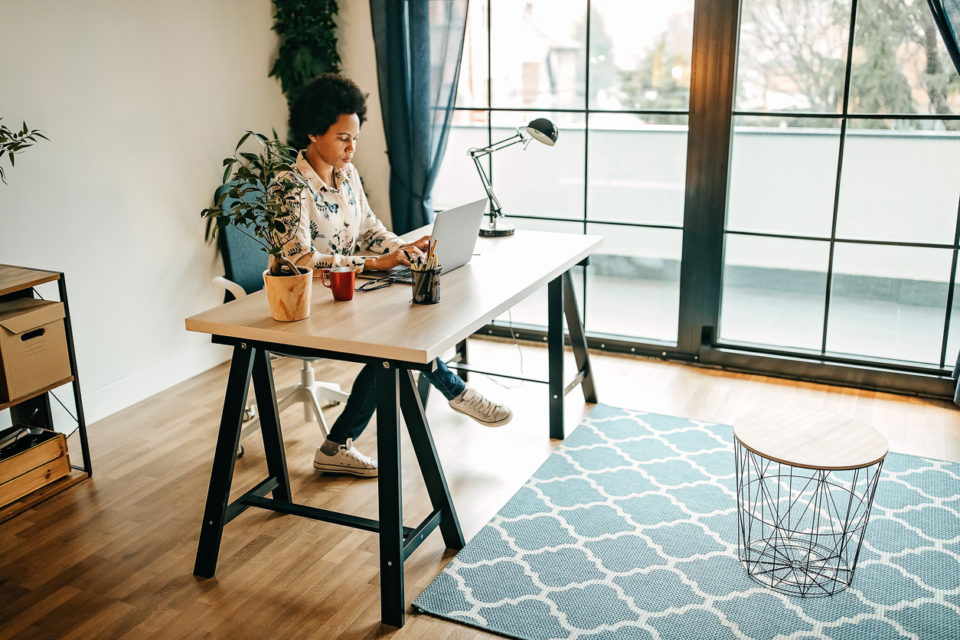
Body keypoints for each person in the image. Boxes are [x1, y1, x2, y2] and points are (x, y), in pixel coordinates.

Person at [279, 73, 512, 477]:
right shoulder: (290, 186)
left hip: (347, 296)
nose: (352, 148)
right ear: (314, 133)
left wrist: (399, 249)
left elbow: (369, 228)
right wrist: (372, 265)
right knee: (393, 350)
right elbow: (300, 258)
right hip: (308, 304)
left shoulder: (346, 175)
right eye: (343, 138)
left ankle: (336, 445)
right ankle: (455, 391)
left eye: (356, 138)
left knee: (400, 341)